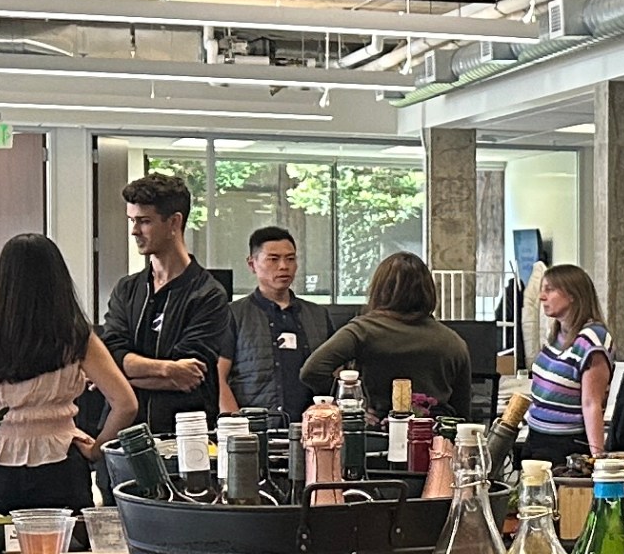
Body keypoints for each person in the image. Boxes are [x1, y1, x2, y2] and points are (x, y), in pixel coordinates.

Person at [0, 232, 136, 513]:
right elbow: (126, 404)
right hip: (60, 464)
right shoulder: (75, 335)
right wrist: (97, 449)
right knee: (64, 553)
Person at [98, 170, 231, 440]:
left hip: (183, 441)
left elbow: (190, 378)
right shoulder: (127, 289)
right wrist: (167, 369)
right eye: (132, 220)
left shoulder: (208, 295)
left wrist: (111, 379)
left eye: (144, 221)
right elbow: (111, 355)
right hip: (122, 438)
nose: (134, 230)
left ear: (174, 222)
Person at [303, 251, 474, 418]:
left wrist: (350, 404)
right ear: (428, 291)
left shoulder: (362, 330)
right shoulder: (453, 342)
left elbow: (312, 370)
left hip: (375, 434)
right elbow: (462, 412)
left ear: (380, 290)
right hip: (434, 436)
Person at [224, 224, 336, 424]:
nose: (284, 266)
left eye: (290, 259)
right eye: (273, 259)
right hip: (255, 429)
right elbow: (218, 378)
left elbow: (336, 374)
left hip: (312, 429)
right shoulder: (233, 314)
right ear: (252, 264)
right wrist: (234, 427)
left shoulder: (318, 315)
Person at [516, 262, 612, 467]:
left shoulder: (591, 339)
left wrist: (597, 460)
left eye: (549, 290)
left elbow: (591, 403)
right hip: (537, 436)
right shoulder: (557, 334)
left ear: (572, 295)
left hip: (566, 444)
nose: (542, 297)